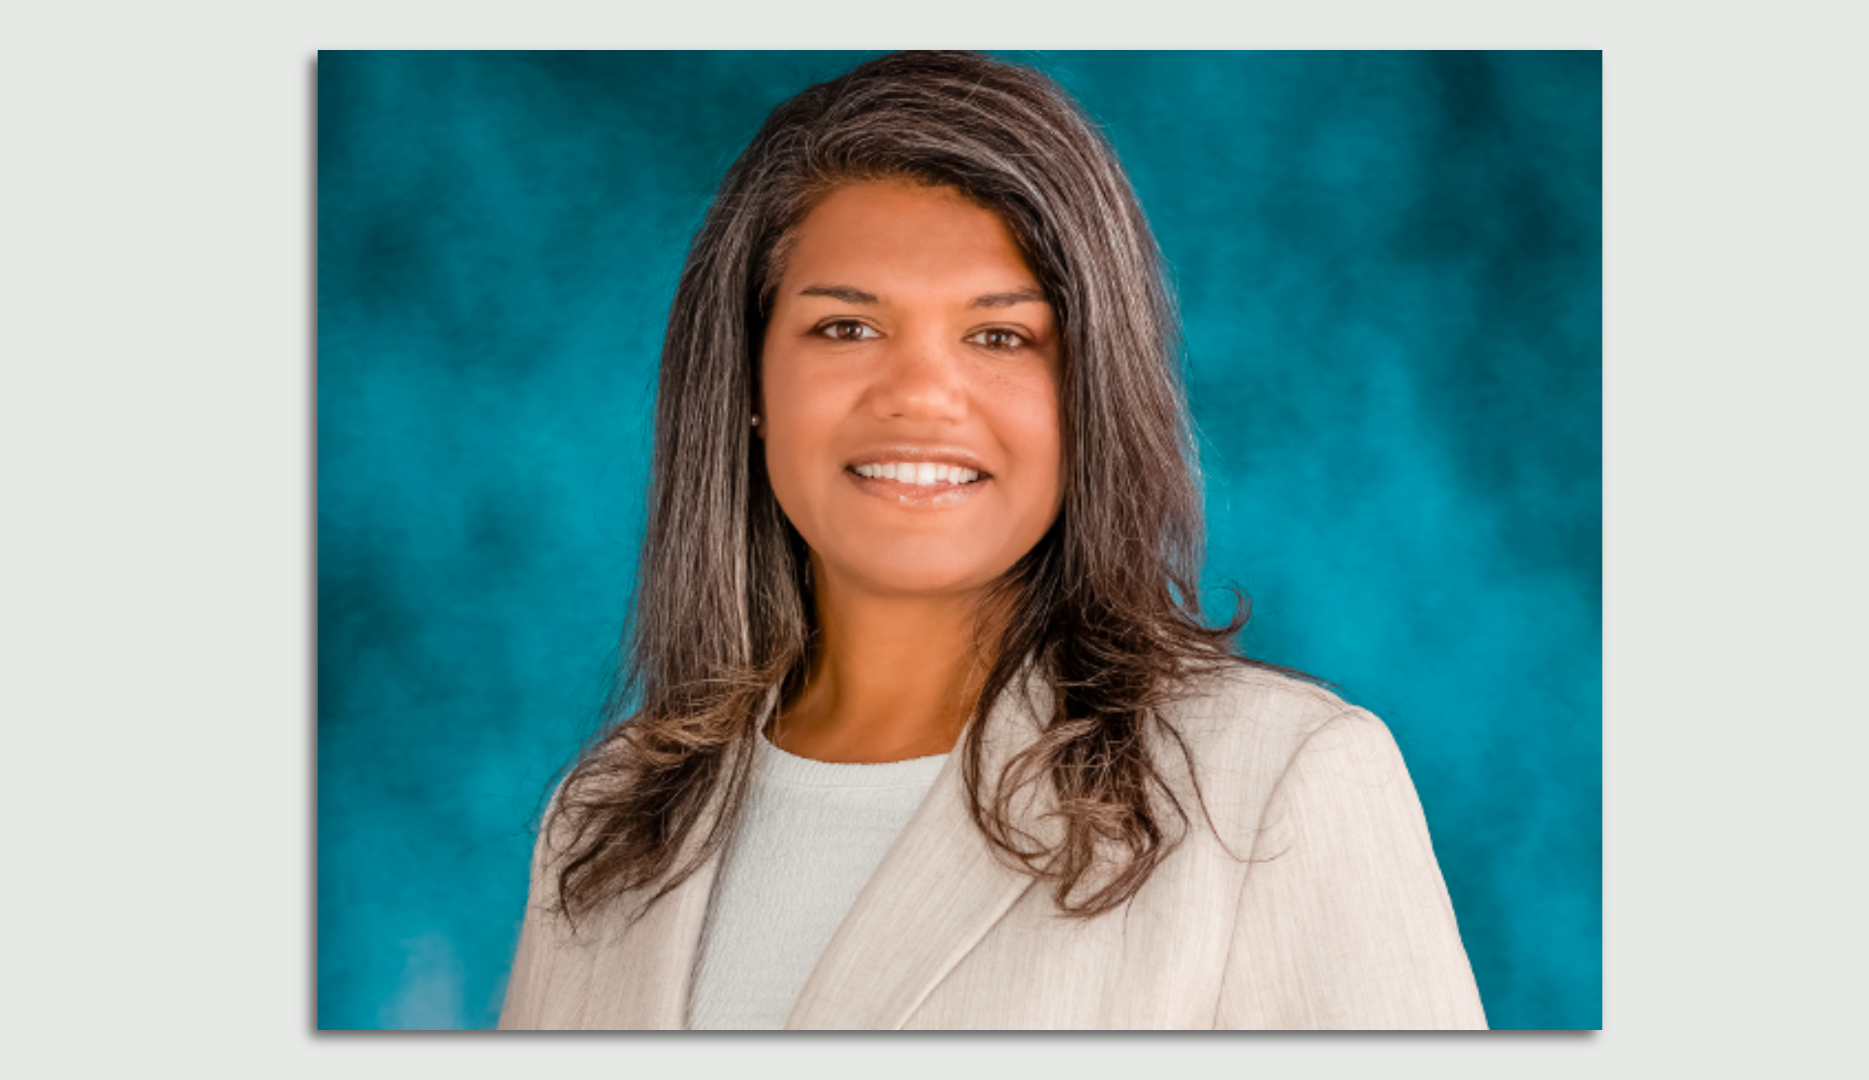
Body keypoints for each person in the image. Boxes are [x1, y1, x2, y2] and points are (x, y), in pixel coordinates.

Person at [497, 50, 1486, 1031]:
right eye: (846, 329)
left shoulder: (1274, 785)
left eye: (1001, 336)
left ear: (1088, 392)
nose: (921, 394)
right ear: (749, 385)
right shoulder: (604, 822)